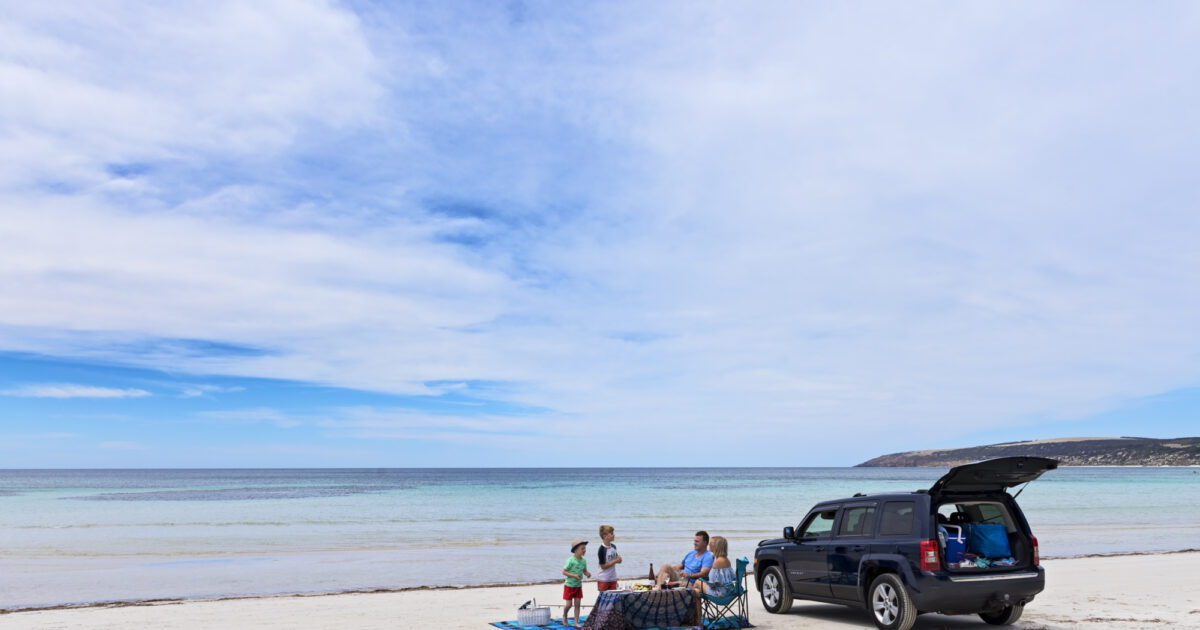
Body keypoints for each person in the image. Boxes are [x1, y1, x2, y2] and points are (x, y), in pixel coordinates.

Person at [563, 538, 592, 627]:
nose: (584, 550)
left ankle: (576, 622)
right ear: (575, 550)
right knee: (569, 605)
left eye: (585, 548)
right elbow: (564, 572)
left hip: (578, 586)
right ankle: (565, 616)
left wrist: (587, 573)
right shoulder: (570, 560)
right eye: (582, 548)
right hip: (569, 585)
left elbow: (584, 570)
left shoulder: (583, 561)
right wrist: (573, 576)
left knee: (577, 604)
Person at [596, 525, 621, 592]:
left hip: (613, 578)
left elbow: (617, 559)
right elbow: (603, 566)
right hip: (603, 579)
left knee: (614, 597)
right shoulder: (601, 549)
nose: (614, 535)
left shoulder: (613, 547)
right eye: (611, 534)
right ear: (605, 536)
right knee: (603, 597)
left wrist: (619, 560)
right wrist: (615, 561)